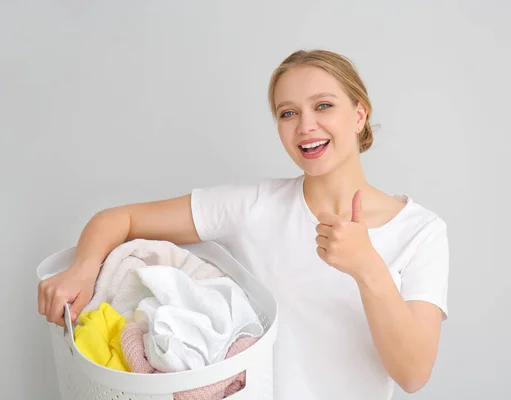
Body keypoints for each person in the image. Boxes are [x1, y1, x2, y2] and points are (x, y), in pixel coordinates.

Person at [38, 49, 450, 400]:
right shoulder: (253, 205)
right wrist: (82, 269)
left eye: (323, 105)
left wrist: (367, 267)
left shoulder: (420, 231)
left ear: (359, 114)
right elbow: (120, 219)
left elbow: (413, 373)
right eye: (288, 113)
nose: (305, 125)